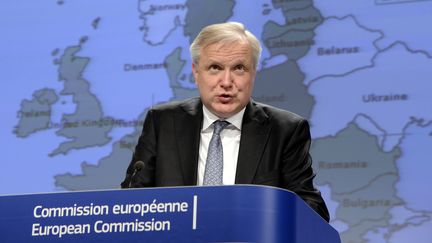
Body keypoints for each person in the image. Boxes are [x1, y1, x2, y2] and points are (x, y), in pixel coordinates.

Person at [121, 22, 330, 222]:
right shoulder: (163, 123)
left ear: (253, 73)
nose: (227, 82)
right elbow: (131, 204)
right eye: (215, 67)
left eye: (239, 68)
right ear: (196, 72)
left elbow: (312, 210)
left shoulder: (284, 131)